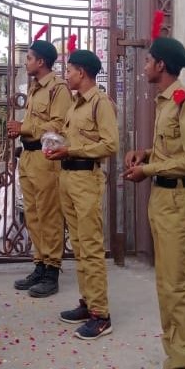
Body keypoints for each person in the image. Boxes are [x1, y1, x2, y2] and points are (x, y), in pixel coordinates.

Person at [123, 36, 185, 369]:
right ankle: (174, 365)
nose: (145, 66)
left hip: (177, 200)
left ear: (161, 66)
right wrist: (145, 154)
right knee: (165, 288)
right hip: (162, 198)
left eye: (148, 61)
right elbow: (170, 151)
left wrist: (149, 168)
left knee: (177, 289)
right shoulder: (163, 103)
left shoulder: (184, 103)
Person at [46, 49, 118, 341]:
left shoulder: (100, 104)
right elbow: (69, 137)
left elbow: (110, 145)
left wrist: (72, 150)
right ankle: (88, 303)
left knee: (90, 246)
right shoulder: (75, 105)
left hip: (86, 178)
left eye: (71, 70)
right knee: (77, 244)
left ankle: (101, 315)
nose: (67, 74)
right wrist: (55, 143)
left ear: (83, 73)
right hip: (67, 177)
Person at [6, 38, 72, 296]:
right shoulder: (36, 88)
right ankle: (40, 264)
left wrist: (24, 127)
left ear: (41, 61)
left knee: (49, 215)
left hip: (47, 159)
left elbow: (59, 126)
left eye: (30, 58)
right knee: (32, 214)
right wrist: (20, 131)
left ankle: (52, 271)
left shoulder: (59, 89)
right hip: (29, 157)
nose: (26, 61)